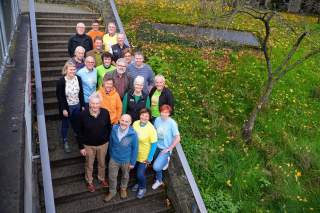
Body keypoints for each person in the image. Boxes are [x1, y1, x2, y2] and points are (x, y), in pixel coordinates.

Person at [78, 92, 112, 192]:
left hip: (103, 144)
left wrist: (107, 139)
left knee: (102, 163)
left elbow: (109, 127)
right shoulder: (83, 114)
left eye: (97, 103)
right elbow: (79, 132)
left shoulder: (105, 112)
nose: (95, 106)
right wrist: (81, 147)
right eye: (93, 103)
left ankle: (101, 179)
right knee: (89, 164)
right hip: (88, 145)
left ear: (100, 103)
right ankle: (89, 181)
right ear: (89, 103)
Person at [104, 114, 138, 202]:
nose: (124, 123)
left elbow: (135, 149)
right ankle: (112, 191)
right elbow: (111, 143)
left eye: (126, 121)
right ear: (119, 120)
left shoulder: (133, 134)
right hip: (114, 158)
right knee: (112, 176)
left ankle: (123, 189)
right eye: (122, 120)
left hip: (126, 160)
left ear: (130, 123)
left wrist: (133, 162)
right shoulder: (114, 129)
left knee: (125, 176)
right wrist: (111, 155)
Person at [56, 61, 85, 153]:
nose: (73, 71)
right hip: (67, 107)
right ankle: (65, 141)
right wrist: (64, 109)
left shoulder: (78, 78)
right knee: (65, 125)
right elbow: (60, 97)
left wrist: (83, 105)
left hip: (77, 105)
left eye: (74, 69)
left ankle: (78, 139)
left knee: (77, 123)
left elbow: (81, 93)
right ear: (66, 70)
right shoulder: (61, 81)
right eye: (70, 69)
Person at [152, 105, 180, 190]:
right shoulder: (157, 120)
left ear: (169, 113)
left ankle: (166, 159)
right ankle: (159, 180)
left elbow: (178, 137)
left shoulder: (172, 123)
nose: (164, 114)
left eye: (166, 112)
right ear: (160, 112)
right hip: (156, 145)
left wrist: (170, 148)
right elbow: (153, 131)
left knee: (156, 167)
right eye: (162, 112)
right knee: (156, 163)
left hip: (165, 149)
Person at [132, 108, 157, 199]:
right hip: (135, 154)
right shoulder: (135, 123)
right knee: (135, 171)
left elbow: (154, 144)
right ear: (140, 115)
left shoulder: (151, 129)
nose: (144, 117)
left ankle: (143, 187)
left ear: (149, 117)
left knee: (140, 173)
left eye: (146, 116)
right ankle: (138, 183)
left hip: (144, 156)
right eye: (142, 115)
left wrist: (150, 158)